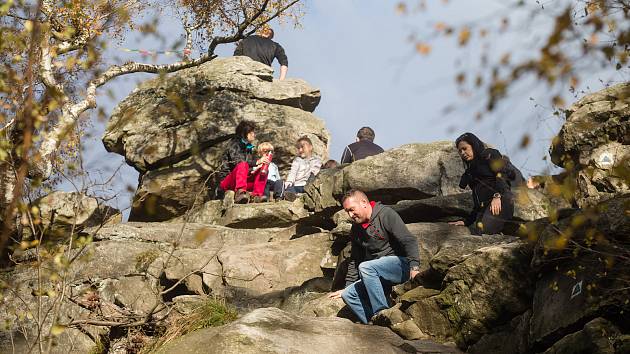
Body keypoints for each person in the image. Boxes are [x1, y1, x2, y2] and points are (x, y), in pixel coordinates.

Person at [328, 189, 421, 324]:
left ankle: (382, 312)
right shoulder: (356, 230)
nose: (350, 215)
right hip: (376, 273)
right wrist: (347, 287)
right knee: (349, 295)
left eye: (352, 209)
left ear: (364, 203)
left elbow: (408, 240)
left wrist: (414, 266)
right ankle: (374, 324)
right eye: (347, 211)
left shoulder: (385, 214)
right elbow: (354, 261)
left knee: (366, 267)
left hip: (400, 266)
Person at [449, 132, 515, 235]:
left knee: (484, 232)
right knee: (478, 233)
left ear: (473, 145)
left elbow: (502, 174)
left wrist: (497, 196)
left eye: (465, 148)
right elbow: (477, 203)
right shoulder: (471, 172)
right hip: (485, 208)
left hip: (501, 200)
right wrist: (466, 221)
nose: (462, 153)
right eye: (460, 151)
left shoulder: (489, 154)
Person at [218, 121, 271, 204]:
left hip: (242, 180)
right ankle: (240, 193)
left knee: (263, 171)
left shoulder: (248, 147)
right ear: (244, 133)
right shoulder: (234, 143)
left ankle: (256, 196)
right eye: (251, 132)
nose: (254, 134)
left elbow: (246, 169)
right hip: (228, 182)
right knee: (243, 164)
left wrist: (256, 169)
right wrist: (257, 161)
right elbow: (238, 162)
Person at [283, 136, 322, 201]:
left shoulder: (317, 161)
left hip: (308, 185)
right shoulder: (297, 160)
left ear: (310, 147)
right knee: (289, 189)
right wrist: (288, 183)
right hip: (297, 185)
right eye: (298, 148)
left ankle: (303, 196)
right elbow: (293, 172)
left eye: (302, 147)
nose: (300, 150)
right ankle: (293, 197)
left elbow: (316, 171)